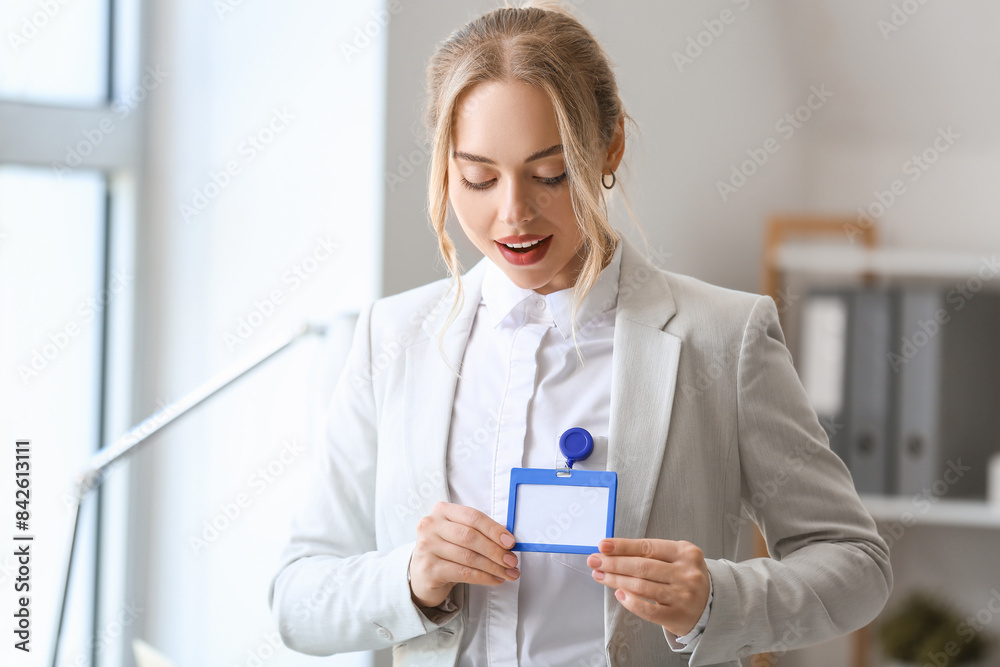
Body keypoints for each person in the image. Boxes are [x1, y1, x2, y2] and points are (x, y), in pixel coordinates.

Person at [268, 2, 892, 665]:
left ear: (610, 146)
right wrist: (410, 579)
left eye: (550, 173)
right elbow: (296, 597)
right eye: (479, 177)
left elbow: (857, 565)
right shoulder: (390, 337)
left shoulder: (724, 338)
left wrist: (716, 595)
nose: (513, 214)